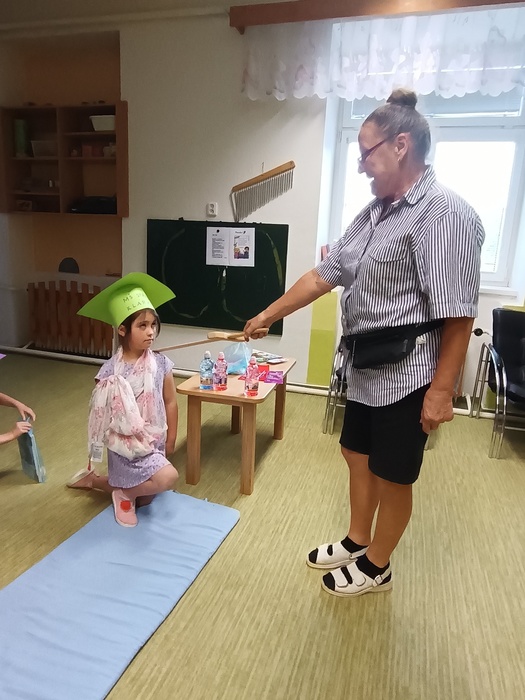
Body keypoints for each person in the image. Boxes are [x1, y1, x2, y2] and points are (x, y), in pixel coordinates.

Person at [243, 88, 484, 598]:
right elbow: (325, 274)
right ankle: (358, 539)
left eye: (365, 153)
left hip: (411, 371)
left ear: (400, 145)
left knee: (394, 474)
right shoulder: (375, 211)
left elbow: (459, 315)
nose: (360, 167)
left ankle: (378, 566)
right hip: (366, 365)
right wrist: (267, 315)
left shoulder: (444, 213)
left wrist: (442, 392)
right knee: (356, 453)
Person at [67, 273, 179, 528]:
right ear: (122, 330)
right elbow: (101, 411)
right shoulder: (110, 369)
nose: (151, 332)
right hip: (123, 445)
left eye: (153, 325)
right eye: (142, 325)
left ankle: (95, 481)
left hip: (153, 440)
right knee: (167, 478)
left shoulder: (161, 363)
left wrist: (171, 437)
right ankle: (124, 493)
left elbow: (170, 401)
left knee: (148, 498)